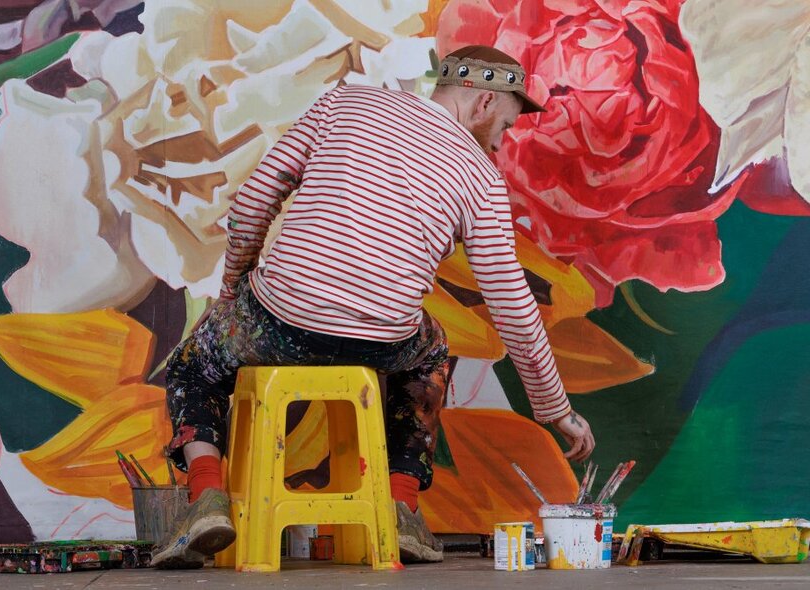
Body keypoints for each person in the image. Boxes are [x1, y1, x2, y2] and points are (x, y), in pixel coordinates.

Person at [151, 44, 595, 569]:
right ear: (481, 105)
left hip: (279, 319)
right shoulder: (482, 180)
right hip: (383, 340)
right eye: (508, 122)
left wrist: (233, 294)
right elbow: (513, 305)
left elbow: (253, 201)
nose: (504, 138)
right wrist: (556, 412)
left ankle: (206, 497)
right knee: (429, 357)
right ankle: (401, 507)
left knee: (191, 364)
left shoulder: (345, 103)